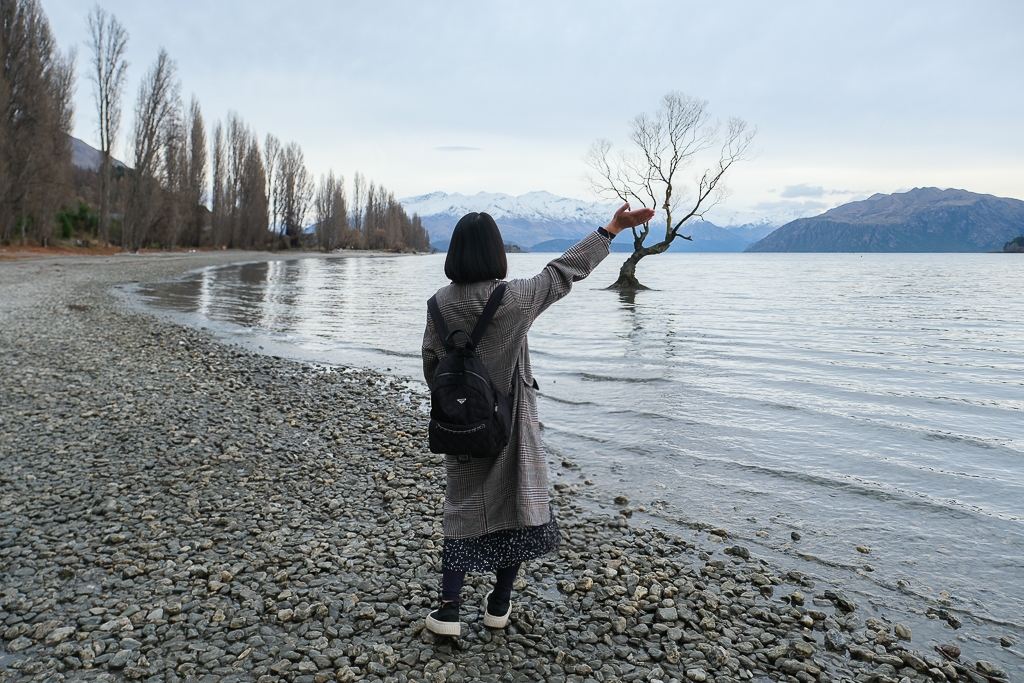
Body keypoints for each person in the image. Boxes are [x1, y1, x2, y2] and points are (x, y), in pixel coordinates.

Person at [420, 202, 655, 636]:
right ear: (496, 253)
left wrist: (461, 401)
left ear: (455, 252)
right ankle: (499, 603)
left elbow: (433, 367)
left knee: (461, 507)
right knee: (517, 505)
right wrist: (611, 229)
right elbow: (564, 271)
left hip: (461, 424)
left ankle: (449, 610)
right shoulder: (515, 298)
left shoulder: (438, 304)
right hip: (512, 424)